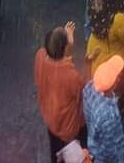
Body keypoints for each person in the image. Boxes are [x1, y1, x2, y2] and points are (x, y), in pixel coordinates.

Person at [34, 23, 87, 163]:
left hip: (50, 119)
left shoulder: (40, 56)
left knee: (55, 152)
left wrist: (66, 47)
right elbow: (82, 96)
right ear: (64, 49)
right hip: (68, 128)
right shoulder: (71, 75)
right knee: (76, 154)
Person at [85, 0, 124, 113]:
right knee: (121, 90)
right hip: (116, 67)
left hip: (97, 64)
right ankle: (121, 112)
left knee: (105, 95)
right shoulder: (118, 19)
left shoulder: (96, 6)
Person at [82, 54, 124, 163]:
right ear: (113, 85)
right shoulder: (109, 115)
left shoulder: (89, 87)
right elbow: (110, 146)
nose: (119, 77)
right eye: (118, 76)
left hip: (92, 141)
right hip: (104, 155)